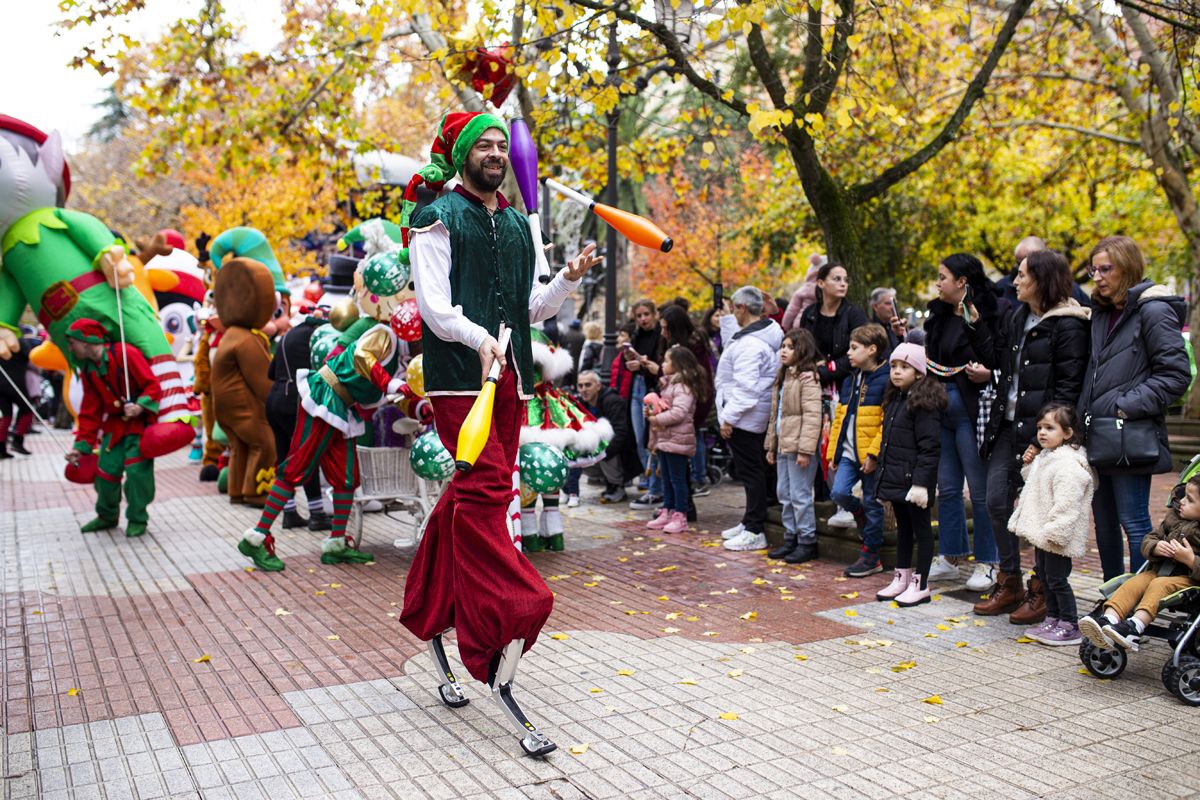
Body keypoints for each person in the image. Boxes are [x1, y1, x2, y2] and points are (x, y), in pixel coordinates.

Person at [396, 111, 601, 757]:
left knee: (470, 498)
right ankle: (506, 614)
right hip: (462, 382)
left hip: (509, 381)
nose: (492, 153)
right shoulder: (436, 218)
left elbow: (532, 308)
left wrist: (568, 280)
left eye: (497, 146)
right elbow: (434, 308)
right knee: (485, 492)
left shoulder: (516, 224)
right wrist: (482, 340)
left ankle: (429, 609)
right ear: (461, 155)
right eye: (480, 145)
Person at [971, 249, 1090, 623]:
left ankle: (1043, 590)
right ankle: (1010, 582)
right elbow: (1002, 364)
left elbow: (1068, 387)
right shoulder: (1017, 315)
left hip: (1042, 436)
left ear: (1041, 279)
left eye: (1022, 275)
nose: (1016, 281)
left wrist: (1043, 438)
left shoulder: (1068, 325)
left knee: (1043, 510)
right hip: (1007, 426)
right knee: (995, 502)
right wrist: (975, 325)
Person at [1078, 235, 1190, 581]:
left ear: (1127, 268)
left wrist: (1123, 407)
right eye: (1093, 269)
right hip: (1097, 436)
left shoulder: (1153, 311)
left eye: (1105, 268)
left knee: (1134, 523)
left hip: (1130, 436)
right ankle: (1110, 602)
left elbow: (1176, 375)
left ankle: (1134, 606)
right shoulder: (1100, 314)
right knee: (1105, 525)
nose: (1097, 276)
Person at [923, 253, 1000, 589]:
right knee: (949, 487)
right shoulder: (937, 314)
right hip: (940, 406)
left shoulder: (990, 310)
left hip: (973, 407)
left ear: (962, 282)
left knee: (980, 490)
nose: (938, 283)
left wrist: (989, 373)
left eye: (943, 277)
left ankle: (989, 561)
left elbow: (998, 355)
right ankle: (951, 555)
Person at [63, 318, 162, 538]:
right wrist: (80, 447)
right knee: (105, 471)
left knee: (137, 472)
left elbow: (152, 385)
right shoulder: (89, 369)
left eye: (72, 343)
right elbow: (90, 411)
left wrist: (140, 406)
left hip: (139, 423)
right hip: (115, 425)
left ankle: (137, 518)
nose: (70, 348)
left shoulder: (126, 354)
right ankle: (107, 516)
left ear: (86, 341)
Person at [1080, 474, 1200, 652]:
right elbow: (1149, 538)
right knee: (1134, 582)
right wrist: (1156, 547)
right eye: (1182, 496)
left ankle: (1134, 628)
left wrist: (1190, 560)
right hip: (1160, 571)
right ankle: (1109, 621)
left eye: (1189, 500)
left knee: (1159, 584)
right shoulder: (1174, 518)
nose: (1181, 501)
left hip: (1189, 579)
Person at [1006, 404, 1095, 645]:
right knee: (1045, 577)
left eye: (1049, 428)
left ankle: (1069, 624)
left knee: (1057, 579)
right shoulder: (1046, 457)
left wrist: (1056, 532)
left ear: (1067, 433)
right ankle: (1052, 617)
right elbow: (1036, 487)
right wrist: (1028, 465)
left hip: (1055, 535)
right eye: (1040, 428)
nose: (1042, 433)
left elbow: (1068, 503)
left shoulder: (1068, 465)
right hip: (1043, 533)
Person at [873, 343, 947, 607]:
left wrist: (921, 484)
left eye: (904, 367)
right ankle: (901, 577)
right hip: (896, 477)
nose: (896, 372)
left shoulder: (924, 403)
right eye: (893, 366)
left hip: (914, 482)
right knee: (904, 529)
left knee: (922, 530)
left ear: (918, 372)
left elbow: (930, 447)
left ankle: (921, 583)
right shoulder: (895, 399)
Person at [716, 286, 783, 552]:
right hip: (749, 416)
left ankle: (755, 528)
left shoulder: (752, 346)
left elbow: (746, 389)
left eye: (734, 308)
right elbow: (733, 341)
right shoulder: (758, 335)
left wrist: (728, 419)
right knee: (754, 472)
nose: (733, 312)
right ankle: (749, 521)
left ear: (743, 308)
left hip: (745, 418)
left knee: (751, 472)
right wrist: (725, 320)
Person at [826, 324, 892, 577]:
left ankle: (871, 555)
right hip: (848, 453)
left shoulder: (885, 379)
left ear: (872, 350)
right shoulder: (850, 379)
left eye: (854, 348)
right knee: (839, 493)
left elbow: (886, 422)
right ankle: (859, 514)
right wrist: (834, 452)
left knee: (873, 503)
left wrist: (874, 454)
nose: (849, 354)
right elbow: (840, 418)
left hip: (869, 456)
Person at [264, 310, 331, 531]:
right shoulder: (317, 337)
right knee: (307, 455)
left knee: (283, 456)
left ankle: (289, 511)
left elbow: (271, 372)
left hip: (274, 398)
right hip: (294, 400)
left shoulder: (288, 335)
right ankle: (317, 513)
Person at [764, 329, 823, 563]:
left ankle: (807, 540)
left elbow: (812, 415)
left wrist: (806, 450)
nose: (784, 351)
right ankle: (791, 537)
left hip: (799, 447)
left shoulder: (808, 378)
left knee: (800, 494)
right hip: (783, 445)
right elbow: (775, 415)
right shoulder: (783, 376)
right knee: (784, 493)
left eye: (790, 347)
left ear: (803, 350)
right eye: (783, 346)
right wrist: (771, 445)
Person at [645, 345, 704, 534]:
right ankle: (668, 510)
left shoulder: (683, 386)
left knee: (678, 480)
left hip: (678, 439)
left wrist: (656, 419)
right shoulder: (668, 385)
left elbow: (679, 413)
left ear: (677, 364)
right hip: (665, 438)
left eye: (667, 361)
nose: (663, 364)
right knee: (667, 479)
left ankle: (680, 515)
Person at [658, 304, 715, 493]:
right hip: (677, 415)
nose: (663, 332)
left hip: (691, 411)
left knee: (679, 473)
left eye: (667, 328)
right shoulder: (673, 347)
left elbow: (697, 386)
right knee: (671, 474)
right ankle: (673, 507)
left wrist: (656, 418)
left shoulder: (691, 350)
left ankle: (685, 505)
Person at [799, 263, 869, 395]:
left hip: (847, 385)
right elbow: (801, 348)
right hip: (812, 384)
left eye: (845, 280)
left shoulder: (854, 314)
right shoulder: (809, 314)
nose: (843, 284)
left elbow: (861, 352)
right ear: (821, 283)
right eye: (837, 279)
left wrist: (825, 371)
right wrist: (812, 367)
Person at [571, 370, 639, 503]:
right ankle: (608, 480)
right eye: (580, 386)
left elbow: (621, 434)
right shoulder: (581, 403)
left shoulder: (612, 401)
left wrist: (602, 454)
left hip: (625, 453)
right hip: (605, 451)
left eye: (588, 385)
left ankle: (617, 485)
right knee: (577, 455)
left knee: (602, 446)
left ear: (598, 386)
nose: (584, 389)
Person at [625, 299, 662, 504]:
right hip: (638, 386)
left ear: (654, 314)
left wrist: (646, 364)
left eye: (646, 314)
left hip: (652, 389)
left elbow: (661, 366)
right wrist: (632, 362)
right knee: (640, 438)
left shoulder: (660, 336)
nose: (643, 319)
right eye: (639, 315)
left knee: (652, 439)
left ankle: (656, 487)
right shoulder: (636, 335)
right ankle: (649, 483)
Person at [996, 235, 1091, 308]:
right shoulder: (1002, 287)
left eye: (1030, 262)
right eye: (1018, 262)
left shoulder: (1068, 289)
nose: (1023, 265)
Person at [0, 327, 40, 458]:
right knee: (28, 410)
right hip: (15, 382)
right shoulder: (21, 342)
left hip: (1, 382)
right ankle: (18, 440)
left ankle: (1, 448)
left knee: (6, 416)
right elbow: (32, 359)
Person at [782, 254, 826, 331]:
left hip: (801, 326)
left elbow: (791, 311)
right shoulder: (829, 289)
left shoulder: (803, 290)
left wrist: (785, 328)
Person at [867, 287, 902, 354]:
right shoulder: (868, 330)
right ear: (875, 306)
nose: (892, 307)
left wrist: (901, 336)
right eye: (888, 303)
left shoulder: (896, 327)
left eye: (894, 303)